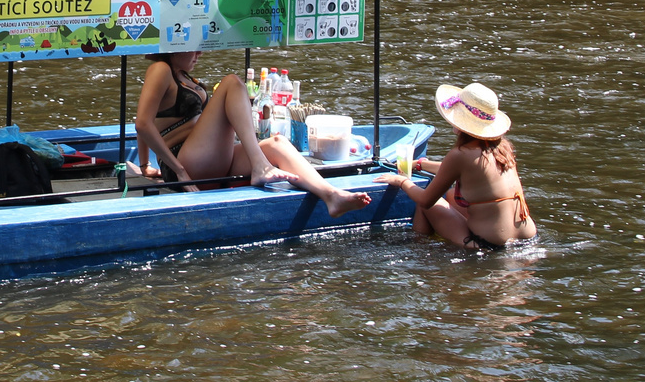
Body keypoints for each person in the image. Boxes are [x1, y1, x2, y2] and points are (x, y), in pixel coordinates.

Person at [135, 51, 371, 218]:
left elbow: (146, 121)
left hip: (206, 159)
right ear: (174, 47)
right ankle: (260, 166)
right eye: (193, 48)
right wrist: (177, 170)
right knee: (232, 82)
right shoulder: (160, 69)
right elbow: (143, 123)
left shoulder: (184, 75)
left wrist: (145, 165)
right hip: (185, 164)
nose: (199, 54)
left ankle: (331, 196)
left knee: (278, 143)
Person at [376, 81, 536, 251]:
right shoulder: (502, 148)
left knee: (426, 205)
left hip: (487, 245)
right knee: (452, 195)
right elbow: (467, 171)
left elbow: (426, 199)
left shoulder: (459, 155)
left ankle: (419, 248)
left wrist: (401, 181)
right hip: (527, 238)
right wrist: (422, 165)